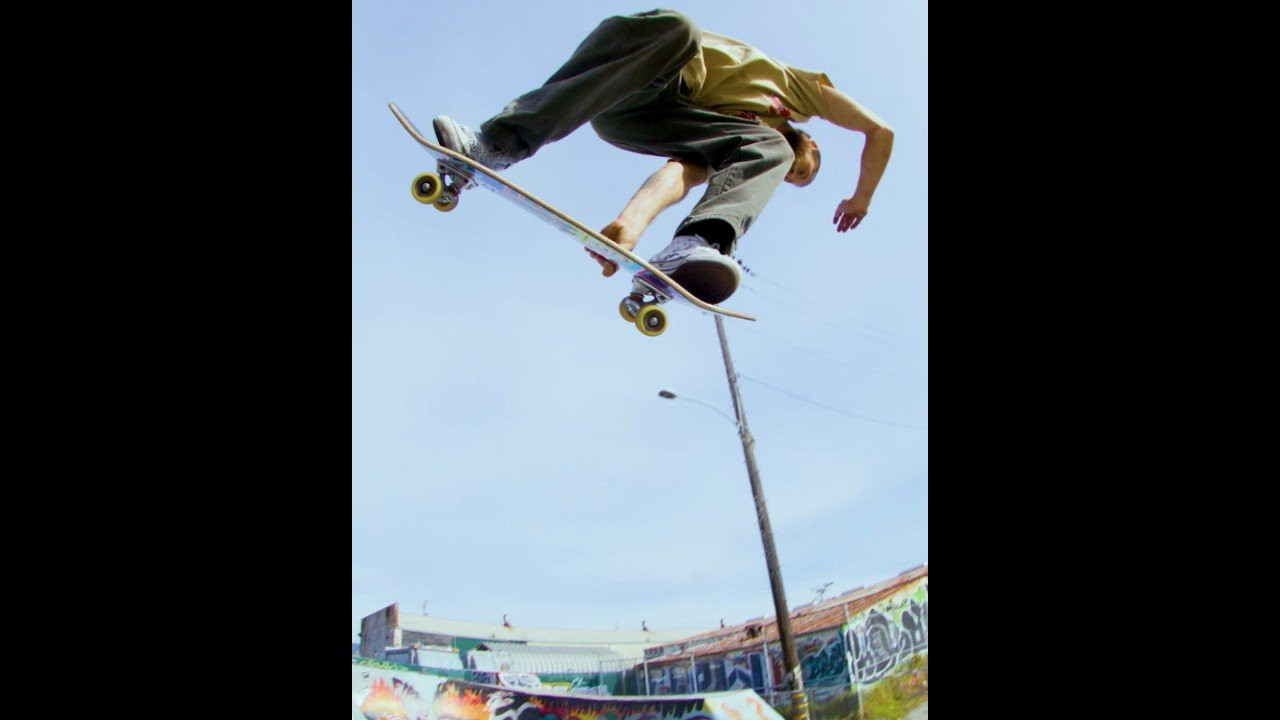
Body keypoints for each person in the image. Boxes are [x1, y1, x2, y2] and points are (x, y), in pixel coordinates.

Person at [432, 9, 893, 304]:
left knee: (763, 148)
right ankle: (493, 145)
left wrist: (629, 226)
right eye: (800, 170)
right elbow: (880, 131)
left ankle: (691, 247)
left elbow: (679, 174)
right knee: (681, 31)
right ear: (810, 143)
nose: (788, 173)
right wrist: (861, 199)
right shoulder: (803, 93)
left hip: (634, 118)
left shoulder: (746, 144)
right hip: (642, 64)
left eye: (790, 180)